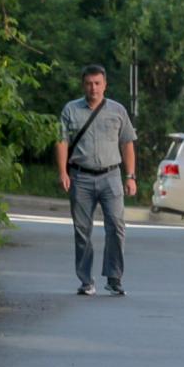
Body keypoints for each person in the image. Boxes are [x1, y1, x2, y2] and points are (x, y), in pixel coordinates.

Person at [56, 65, 137, 296]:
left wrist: (130, 176)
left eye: (97, 83)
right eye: (89, 83)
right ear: (84, 85)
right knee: (82, 231)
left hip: (111, 176)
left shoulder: (118, 110)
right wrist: (63, 172)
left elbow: (127, 143)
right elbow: (61, 141)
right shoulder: (70, 110)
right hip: (80, 176)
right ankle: (86, 280)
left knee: (116, 227)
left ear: (105, 85)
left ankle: (114, 277)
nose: (93, 88)